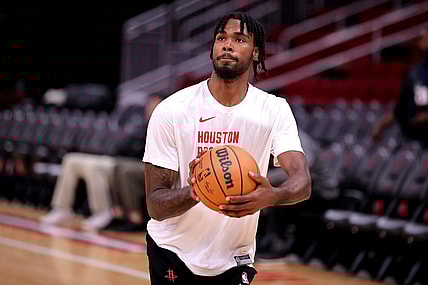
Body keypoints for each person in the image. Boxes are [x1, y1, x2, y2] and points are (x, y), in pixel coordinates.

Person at [142, 12, 311, 284]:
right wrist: (195, 191)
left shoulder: (273, 110)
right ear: (212, 49)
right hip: (172, 252)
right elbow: (155, 205)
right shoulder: (173, 110)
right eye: (221, 38)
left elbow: (302, 182)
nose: (227, 44)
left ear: (256, 53)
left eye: (239, 39)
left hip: (235, 258)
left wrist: (273, 196)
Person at [372, 27, 428, 146]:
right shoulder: (417, 72)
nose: (421, 40)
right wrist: (382, 125)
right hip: (415, 136)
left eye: (425, 36)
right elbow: (403, 107)